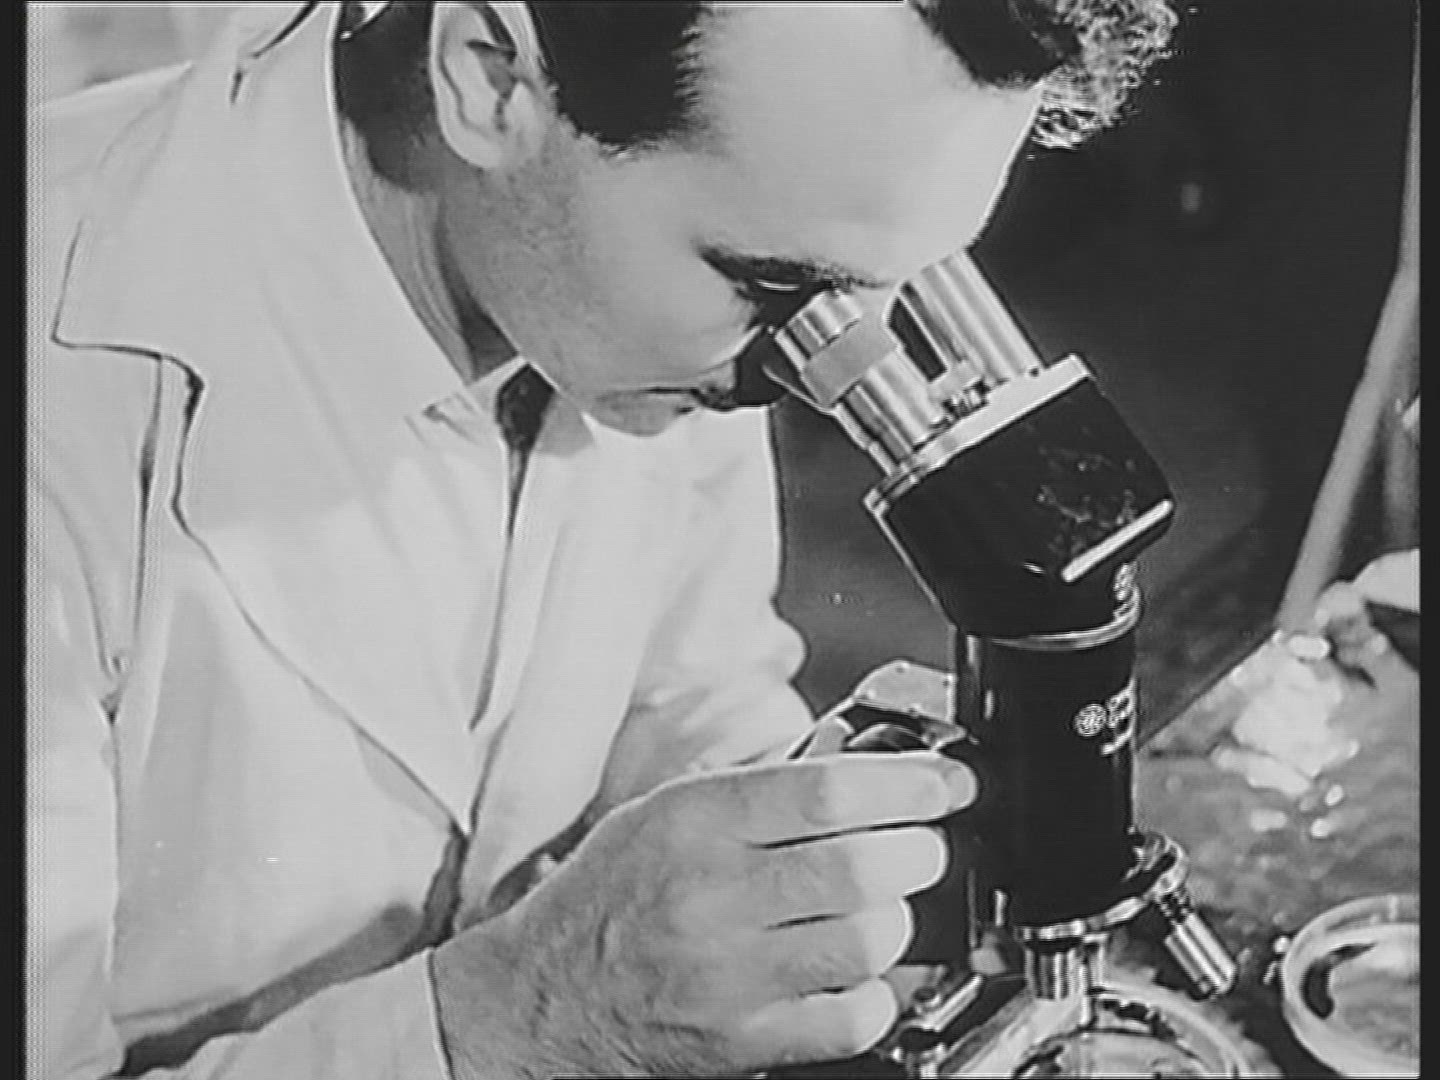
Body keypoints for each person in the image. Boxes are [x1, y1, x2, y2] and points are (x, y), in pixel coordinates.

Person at [26, 2, 1176, 1077]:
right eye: (780, 286)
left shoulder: (645, 262)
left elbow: (686, 692)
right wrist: (529, 1013)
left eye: (882, 286)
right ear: (489, 79)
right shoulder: (53, 417)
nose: (824, 368)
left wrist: (798, 859)